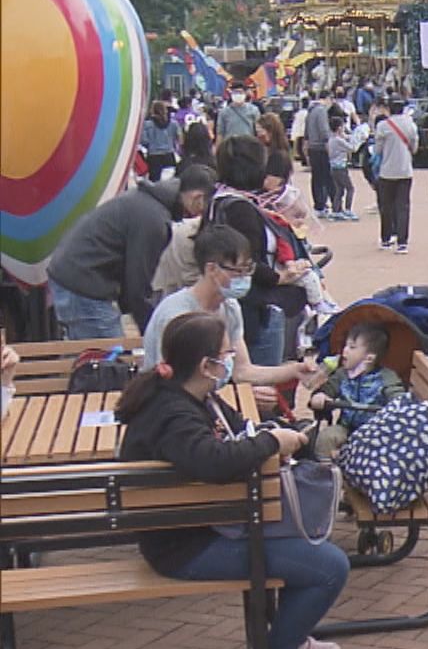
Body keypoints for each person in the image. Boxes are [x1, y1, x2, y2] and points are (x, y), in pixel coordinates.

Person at [117, 311, 349, 649]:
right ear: (206, 365)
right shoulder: (173, 414)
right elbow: (215, 461)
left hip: (210, 526)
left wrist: (281, 433)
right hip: (186, 546)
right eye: (226, 354)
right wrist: (273, 442)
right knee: (329, 567)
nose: (231, 362)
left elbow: (239, 431)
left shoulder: (190, 395)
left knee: (303, 548)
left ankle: (288, 638)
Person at [142, 225, 317, 398]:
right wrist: (235, 397)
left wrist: (294, 370)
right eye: (238, 271)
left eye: (248, 269)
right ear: (211, 269)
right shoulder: (176, 315)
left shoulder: (230, 307)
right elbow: (170, 383)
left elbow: (242, 371)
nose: (244, 278)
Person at [46, 164, 214, 339]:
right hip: (83, 282)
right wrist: (153, 336)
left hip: (74, 274)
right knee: (109, 357)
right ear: (198, 198)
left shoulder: (146, 202)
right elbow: (138, 286)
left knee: (87, 350)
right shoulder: (153, 220)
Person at [305, 321, 407, 457]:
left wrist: (397, 405)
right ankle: (324, 472)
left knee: (378, 450)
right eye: (345, 345)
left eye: (352, 347)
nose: (344, 350)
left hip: (375, 432)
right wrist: (320, 397)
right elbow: (327, 390)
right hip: (345, 427)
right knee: (326, 437)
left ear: (369, 358)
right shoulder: (342, 375)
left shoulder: (386, 378)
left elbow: (399, 398)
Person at [371, 97, 418, 253]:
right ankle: (402, 242)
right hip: (405, 170)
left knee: (386, 206)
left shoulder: (383, 126)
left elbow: (377, 150)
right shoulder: (410, 124)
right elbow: (414, 147)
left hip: (387, 171)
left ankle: (386, 238)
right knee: (403, 206)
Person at [302, 92, 338, 218]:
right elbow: (324, 131)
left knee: (316, 178)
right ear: (328, 99)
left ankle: (319, 205)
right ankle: (335, 204)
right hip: (321, 148)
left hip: (312, 147)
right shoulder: (322, 111)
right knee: (328, 177)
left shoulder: (310, 111)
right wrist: (330, 141)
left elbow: (306, 131)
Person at [141, 99, 183, 183]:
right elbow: (180, 140)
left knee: (154, 185)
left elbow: (144, 141)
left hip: (154, 158)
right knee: (169, 183)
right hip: (169, 156)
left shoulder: (147, 124)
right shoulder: (173, 124)